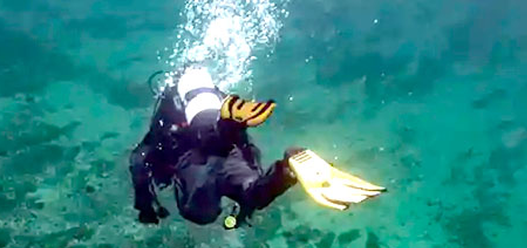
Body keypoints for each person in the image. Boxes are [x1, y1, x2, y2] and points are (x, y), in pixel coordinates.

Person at [129, 66, 385, 229]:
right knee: (253, 192)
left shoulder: (168, 105)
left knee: (199, 213)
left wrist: (144, 203)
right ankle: (287, 168)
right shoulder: (220, 98)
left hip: (197, 160)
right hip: (232, 150)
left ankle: (229, 130)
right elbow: (242, 145)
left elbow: (139, 159)